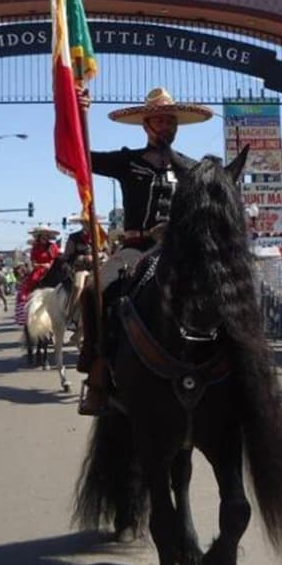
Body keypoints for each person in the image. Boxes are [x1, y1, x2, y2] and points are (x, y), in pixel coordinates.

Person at [75, 87, 209, 415]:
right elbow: (80, 156)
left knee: (222, 289)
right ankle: (97, 371)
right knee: (93, 289)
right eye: (159, 120)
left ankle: (236, 371)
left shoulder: (194, 169)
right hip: (135, 249)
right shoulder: (128, 161)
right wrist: (80, 114)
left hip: (179, 250)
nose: (165, 126)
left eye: (170, 121)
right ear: (145, 125)